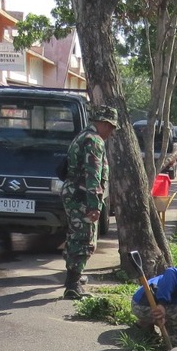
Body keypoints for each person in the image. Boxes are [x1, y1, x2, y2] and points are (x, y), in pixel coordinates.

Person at [61, 105, 117, 298]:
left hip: (74, 193)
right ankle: (72, 285)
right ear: (101, 122)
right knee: (84, 239)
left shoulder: (82, 136)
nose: (111, 131)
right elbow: (92, 175)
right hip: (82, 197)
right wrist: (94, 205)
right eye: (110, 126)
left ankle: (74, 276)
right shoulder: (93, 140)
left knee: (75, 235)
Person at [132, 266, 177, 350]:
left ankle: (143, 326)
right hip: (144, 303)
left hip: (150, 304)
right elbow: (171, 272)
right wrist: (162, 304)